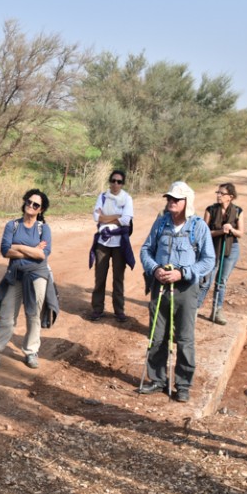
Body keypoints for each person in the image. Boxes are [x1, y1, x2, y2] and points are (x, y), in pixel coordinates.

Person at [139, 181, 215, 403]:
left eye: (176, 199)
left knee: (184, 337)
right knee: (157, 334)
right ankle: (157, 380)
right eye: (169, 198)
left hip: (185, 288)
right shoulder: (161, 223)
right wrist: (154, 268)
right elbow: (146, 250)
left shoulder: (198, 227)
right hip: (160, 286)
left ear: (186, 202)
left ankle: (182, 384)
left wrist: (183, 273)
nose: (171, 202)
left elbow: (208, 260)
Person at [0, 189, 57, 371]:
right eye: (29, 202)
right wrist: (30, 248)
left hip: (37, 275)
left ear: (41, 210)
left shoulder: (44, 228)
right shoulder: (13, 225)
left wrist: (17, 246)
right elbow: (5, 250)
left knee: (33, 314)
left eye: (36, 205)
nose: (31, 206)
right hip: (15, 274)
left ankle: (31, 351)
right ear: (24, 202)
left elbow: (42, 255)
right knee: (7, 315)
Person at [196, 183, 245, 325]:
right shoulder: (210, 210)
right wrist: (220, 232)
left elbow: (240, 233)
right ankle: (194, 309)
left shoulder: (238, 211)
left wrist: (231, 229)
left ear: (230, 197)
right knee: (206, 280)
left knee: (221, 281)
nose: (218, 195)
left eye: (222, 193)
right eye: (218, 192)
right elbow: (203, 234)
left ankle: (217, 311)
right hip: (211, 248)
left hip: (232, 248)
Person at [90, 169, 135, 322]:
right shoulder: (102, 197)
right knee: (100, 277)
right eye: (113, 180)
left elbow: (126, 220)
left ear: (122, 184)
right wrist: (116, 216)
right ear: (110, 181)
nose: (116, 184)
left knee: (118, 278)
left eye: (119, 181)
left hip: (119, 243)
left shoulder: (127, 199)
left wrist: (105, 218)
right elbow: (96, 217)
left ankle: (119, 310)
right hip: (103, 242)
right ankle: (97, 309)